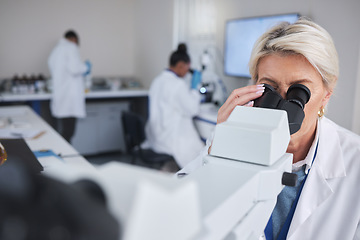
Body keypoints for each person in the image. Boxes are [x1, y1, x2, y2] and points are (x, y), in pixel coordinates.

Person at [213, 18, 360, 239]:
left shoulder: (355, 161)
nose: (283, 103)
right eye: (270, 88)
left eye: (298, 91)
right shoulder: (231, 140)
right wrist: (221, 149)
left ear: (326, 94)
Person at [144, 43, 204, 170]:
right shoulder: (178, 85)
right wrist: (194, 89)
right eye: (187, 68)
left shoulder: (158, 80)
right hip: (169, 141)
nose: (188, 72)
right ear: (180, 65)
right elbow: (193, 109)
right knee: (202, 154)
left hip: (155, 138)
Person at [48, 30, 91, 142]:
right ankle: (66, 157)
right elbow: (75, 68)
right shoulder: (71, 47)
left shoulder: (56, 50)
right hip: (70, 97)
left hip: (61, 95)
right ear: (74, 39)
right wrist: (86, 67)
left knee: (62, 130)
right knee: (68, 132)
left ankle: (62, 155)